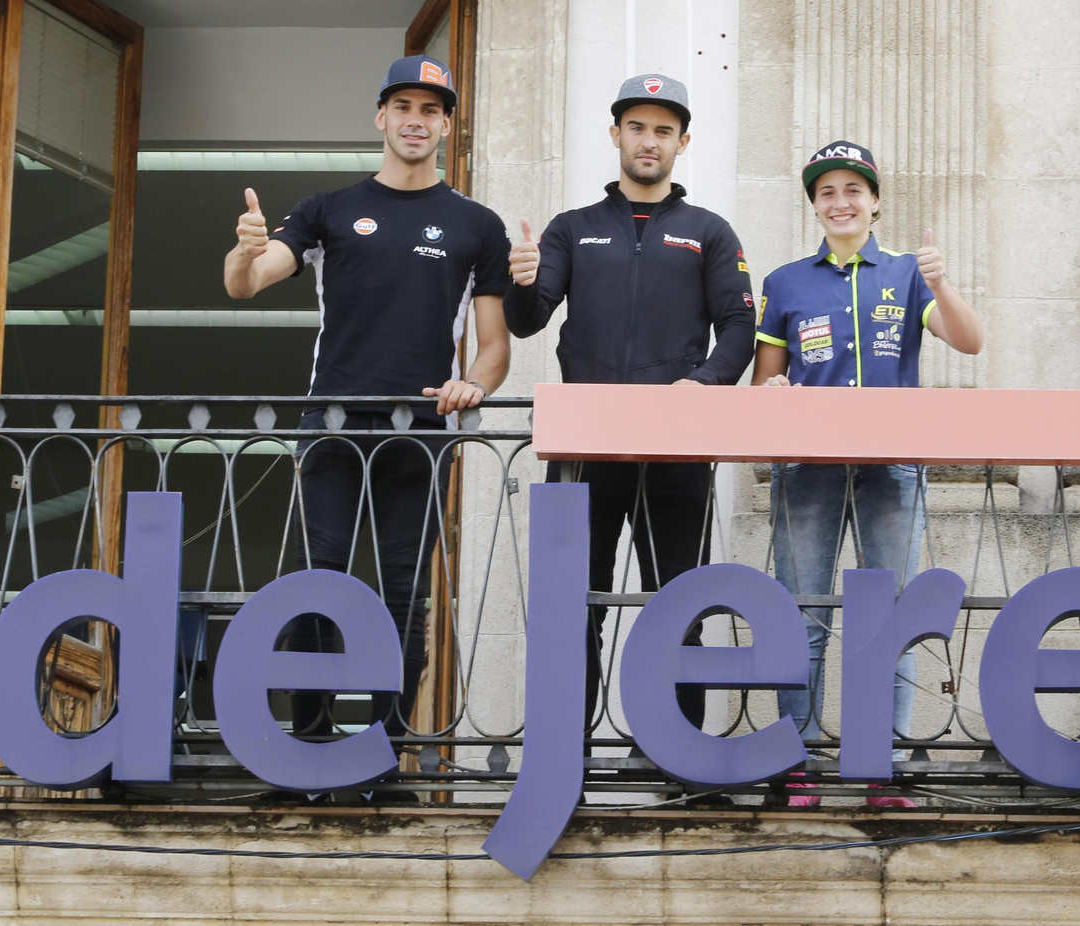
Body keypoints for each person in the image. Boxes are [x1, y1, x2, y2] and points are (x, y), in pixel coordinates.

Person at [224, 54, 512, 744]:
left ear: (446, 126)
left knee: (403, 593)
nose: (416, 121)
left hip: (423, 428)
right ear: (381, 115)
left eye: (430, 110)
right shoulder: (329, 209)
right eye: (403, 107)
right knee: (316, 581)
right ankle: (309, 747)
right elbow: (247, 283)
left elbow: (495, 344)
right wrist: (244, 251)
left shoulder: (476, 224)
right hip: (332, 421)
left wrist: (475, 383)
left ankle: (387, 753)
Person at [504, 73, 755, 735]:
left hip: (677, 450)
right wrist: (519, 281)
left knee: (679, 609)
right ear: (615, 134)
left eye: (663, 131)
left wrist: (704, 383)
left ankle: (676, 762)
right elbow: (528, 320)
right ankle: (569, 762)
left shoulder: (709, 231)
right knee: (573, 611)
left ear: (682, 142)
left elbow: (739, 325)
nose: (649, 141)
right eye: (637, 127)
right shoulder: (571, 229)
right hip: (584, 451)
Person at [753, 140, 983, 806]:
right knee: (802, 614)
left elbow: (971, 341)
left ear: (875, 201)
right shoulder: (786, 282)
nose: (841, 202)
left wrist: (941, 282)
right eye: (827, 192)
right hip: (807, 469)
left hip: (892, 469)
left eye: (853, 189)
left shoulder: (908, 273)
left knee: (892, 621)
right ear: (814, 206)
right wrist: (772, 392)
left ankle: (883, 768)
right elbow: (764, 382)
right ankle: (795, 765)